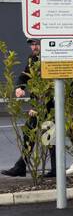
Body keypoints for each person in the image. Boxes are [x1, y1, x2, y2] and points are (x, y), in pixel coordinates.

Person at [2, 39, 45, 178]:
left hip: (49, 105)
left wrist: (39, 106)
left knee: (49, 137)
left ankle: (21, 167)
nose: (34, 47)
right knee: (31, 134)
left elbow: (51, 86)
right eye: (32, 45)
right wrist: (20, 87)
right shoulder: (32, 58)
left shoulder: (51, 59)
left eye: (37, 44)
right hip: (38, 105)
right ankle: (21, 166)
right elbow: (24, 75)